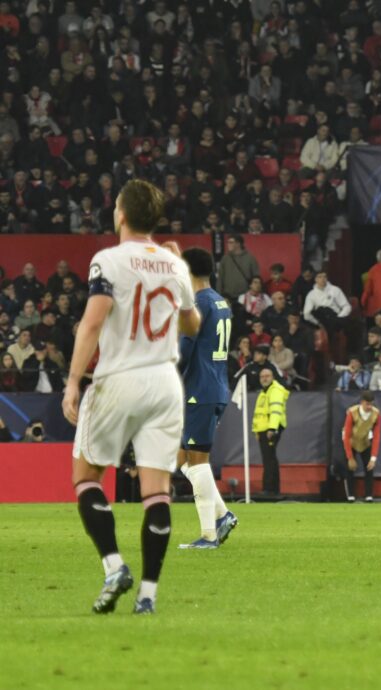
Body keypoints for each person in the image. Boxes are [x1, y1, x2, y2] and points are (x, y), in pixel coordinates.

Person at [61, 179, 201, 615]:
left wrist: (72, 381)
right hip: (164, 382)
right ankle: (148, 596)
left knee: (86, 475)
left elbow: (91, 323)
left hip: (119, 377)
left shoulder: (108, 260)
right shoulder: (174, 264)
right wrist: (180, 274)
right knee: (156, 489)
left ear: (120, 213)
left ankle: (114, 565)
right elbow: (192, 324)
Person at [176, 247, 238, 549]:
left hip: (199, 389)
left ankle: (209, 535)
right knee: (178, 456)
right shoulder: (220, 301)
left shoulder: (198, 302)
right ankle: (223, 514)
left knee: (197, 460)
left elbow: (184, 349)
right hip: (214, 385)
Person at [252, 366, 289, 496]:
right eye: (262, 376)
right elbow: (259, 414)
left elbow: (276, 411)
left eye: (267, 376)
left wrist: (272, 428)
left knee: (269, 459)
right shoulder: (264, 392)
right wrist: (256, 431)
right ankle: (271, 489)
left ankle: (270, 489)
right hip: (264, 429)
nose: (264, 379)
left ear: (272, 377)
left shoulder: (275, 391)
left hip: (271, 428)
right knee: (268, 458)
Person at [342, 391, 381, 502]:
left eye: (371, 404)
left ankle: (368, 495)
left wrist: (373, 458)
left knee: (369, 468)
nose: (369, 407)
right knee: (350, 468)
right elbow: (347, 435)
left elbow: (377, 436)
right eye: (367, 404)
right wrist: (350, 457)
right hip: (351, 442)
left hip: (365, 442)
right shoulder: (352, 412)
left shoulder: (376, 414)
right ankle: (350, 496)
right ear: (362, 402)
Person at [218, 234, 260, 302]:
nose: (228, 244)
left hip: (245, 298)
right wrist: (219, 295)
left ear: (238, 244)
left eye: (231, 242)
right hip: (227, 297)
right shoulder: (225, 259)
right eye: (227, 242)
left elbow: (256, 278)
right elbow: (220, 279)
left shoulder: (250, 258)